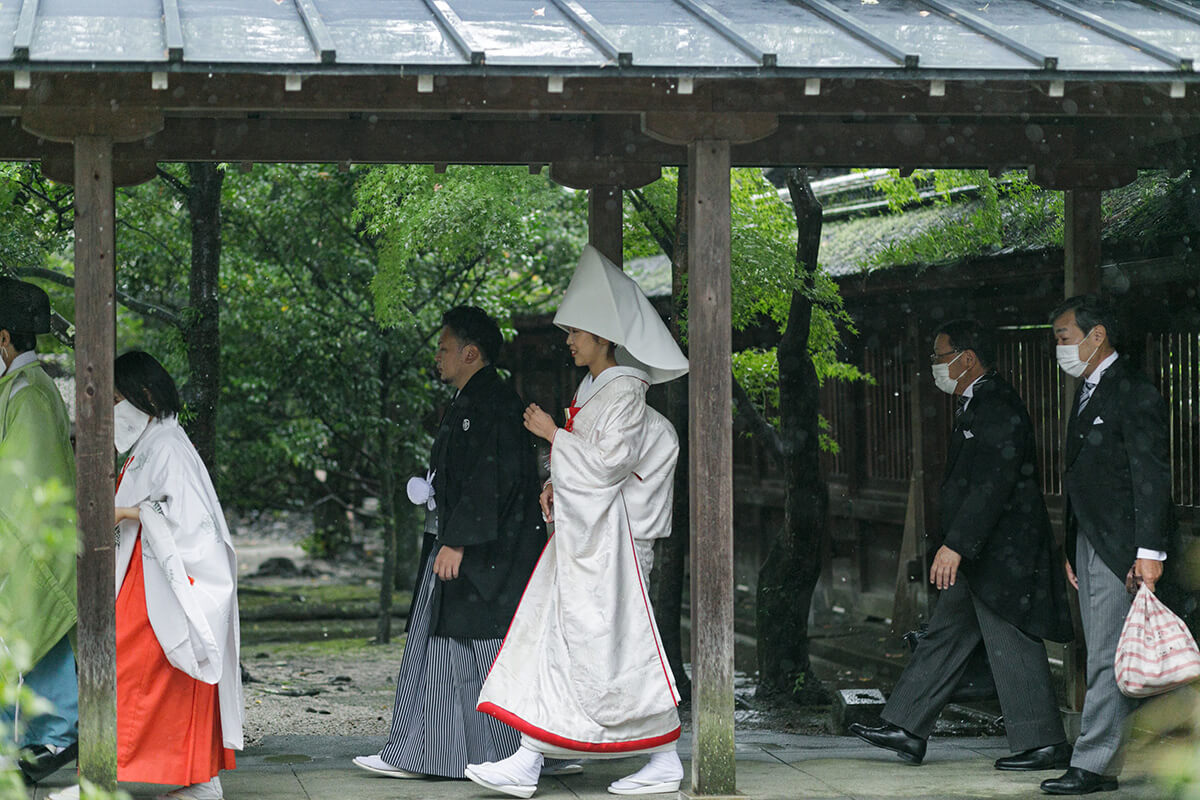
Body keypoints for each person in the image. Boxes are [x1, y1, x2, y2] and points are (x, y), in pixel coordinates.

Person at [466, 245, 689, 798]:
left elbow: (610, 464)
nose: (568, 340)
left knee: (613, 645)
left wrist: (551, 437)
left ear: (604, 336)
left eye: (577, 332)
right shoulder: (597, 389)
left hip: (613, 542)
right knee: (570, 638)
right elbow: (592, 460)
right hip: (592, 536)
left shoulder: (625, 390)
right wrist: (555, 479)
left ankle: (659, 757)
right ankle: (532, 757)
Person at [850, 319, 1074, 771]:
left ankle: (1045, 742)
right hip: (985, 551)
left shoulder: (995, 403)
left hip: (1001, 551)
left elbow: (993, 484)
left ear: (966, 359)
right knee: (944, 636)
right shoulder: (977, 402)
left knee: (1012, 637)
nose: (935, 366)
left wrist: (956, 545)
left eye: (939, 356)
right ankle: (907, 728)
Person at [353, 306, 551, 781]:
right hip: (461, 545)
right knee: (441, 648)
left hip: (485, 556)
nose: (437, 357)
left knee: (475, 651)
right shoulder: (470, 401)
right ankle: (422, 753)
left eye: (444, 349)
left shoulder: (495, 404)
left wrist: (459, 542)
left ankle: (487, 757)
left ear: (470, 352)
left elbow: (491, 481)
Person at [51, 351, 243, 800]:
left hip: (164, 580)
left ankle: (181, 778)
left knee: (143, 669)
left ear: (147, 398)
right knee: (139, 672)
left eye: (117, 399)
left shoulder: (169, 446)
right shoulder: (154, 444)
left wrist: (128, 511)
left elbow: (188, 521)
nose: (113, 411)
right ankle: (185, 777)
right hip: (148, 573)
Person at [1040, 296, 1172, 796]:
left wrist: (1149, 552)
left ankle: (1093, 764)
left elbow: (1151, 476)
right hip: (1092, 542)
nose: (1060, 348)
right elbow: (1081, 479)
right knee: (1109, 653)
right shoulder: (1089, 390)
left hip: (1125, 547)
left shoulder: (1132, 390)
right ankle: (1101, 760)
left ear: (1097, 338)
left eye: (1064, 337)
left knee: (1110, 656)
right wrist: (1073, 545)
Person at [0, 277, 79, 785]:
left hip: (28, 541)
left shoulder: (26, 393)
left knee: (31, 634)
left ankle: (52, 736)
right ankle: (43, 737)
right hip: (34, 542)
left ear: (2, 339)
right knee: (36, 639)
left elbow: (16, 485)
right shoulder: (25, 387)